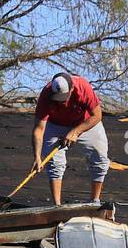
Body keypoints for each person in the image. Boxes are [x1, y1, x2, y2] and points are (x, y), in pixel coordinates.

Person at [31, 72, 110, 205]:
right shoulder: (46, 94)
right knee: (54, 163)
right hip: (56, 125)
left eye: (63, 97)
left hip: (85, 123)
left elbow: (96, 116)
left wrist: (75, 132)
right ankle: (57, 206)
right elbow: (39, 129)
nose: (61, 101)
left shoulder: (83, 87)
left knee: (100, 157)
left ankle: (95, 200)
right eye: (58, 98)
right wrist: (37, 157)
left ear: (72, 88)